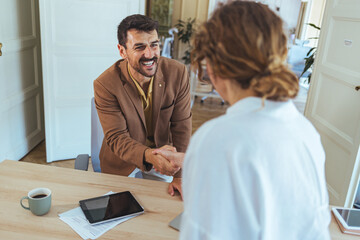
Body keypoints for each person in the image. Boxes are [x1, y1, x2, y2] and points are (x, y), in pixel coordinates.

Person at [155, 2, 331, 239]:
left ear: (215, 66)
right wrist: (191, 159)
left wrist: (200, 155)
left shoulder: (215, 138)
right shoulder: (304, 130)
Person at [93, 14, 192, 197]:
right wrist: (149, 155)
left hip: (164, 160)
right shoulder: (105, 84)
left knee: (162, 212)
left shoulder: (177, 73)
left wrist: (180, 175)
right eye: (139, 47)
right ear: (122, 51)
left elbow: (182, 126)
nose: (149, 54)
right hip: (121, 162)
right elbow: (117, 138)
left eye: (154, 45)